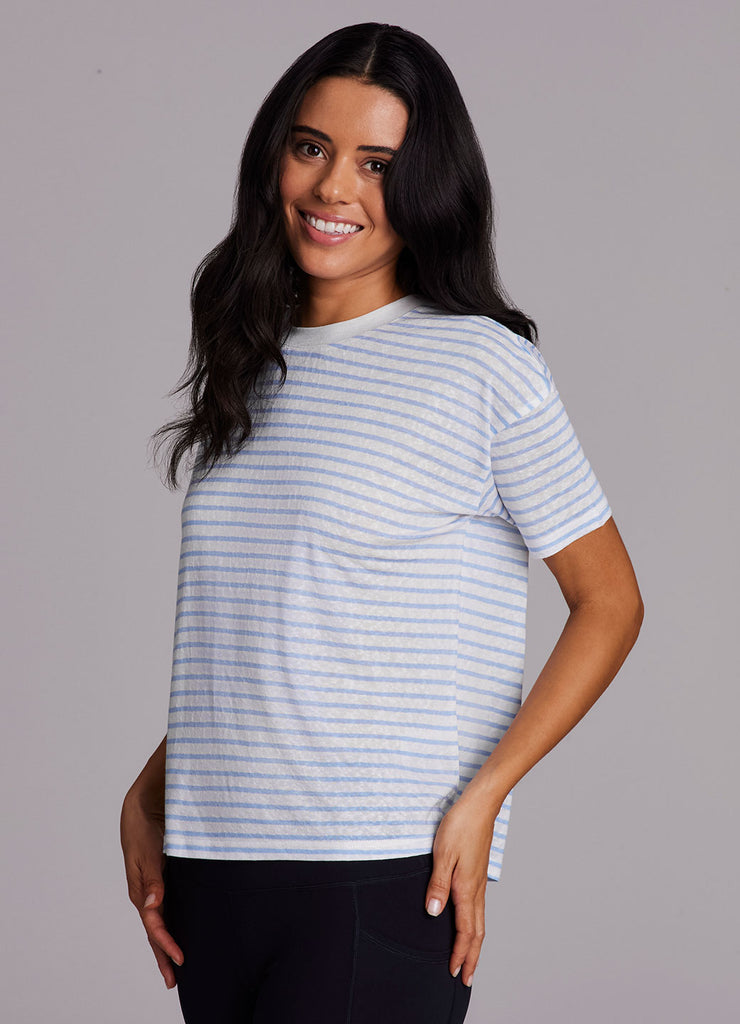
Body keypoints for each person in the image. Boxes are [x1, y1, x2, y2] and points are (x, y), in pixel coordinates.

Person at [120, 22, 643, 1024]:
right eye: (311, 147)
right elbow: (271, 629)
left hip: (377, 870)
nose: (333, 189)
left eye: (377, 164)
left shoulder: (479, 366)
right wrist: (151, 789)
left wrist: (486, 796)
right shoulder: (251, 359)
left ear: (427, 186)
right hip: (214, 870)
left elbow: (610, 601)